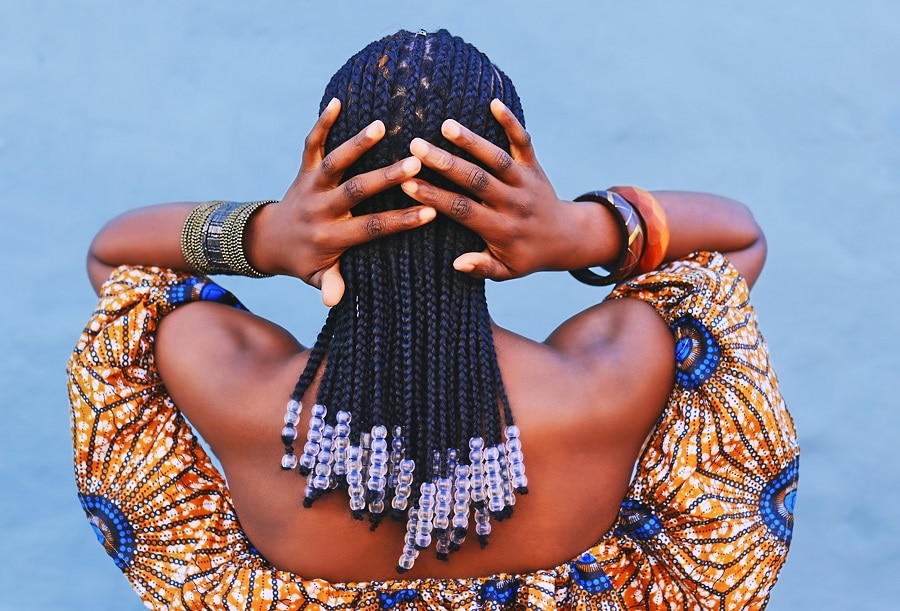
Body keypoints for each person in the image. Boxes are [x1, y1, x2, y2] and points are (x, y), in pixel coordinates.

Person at [68, 29, 798, 610]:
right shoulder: (607, 380)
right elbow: (738, 238)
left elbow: (116, 260)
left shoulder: (240, 391)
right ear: (515, 194)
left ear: (324, 186)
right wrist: (582, 231)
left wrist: (265, 235)